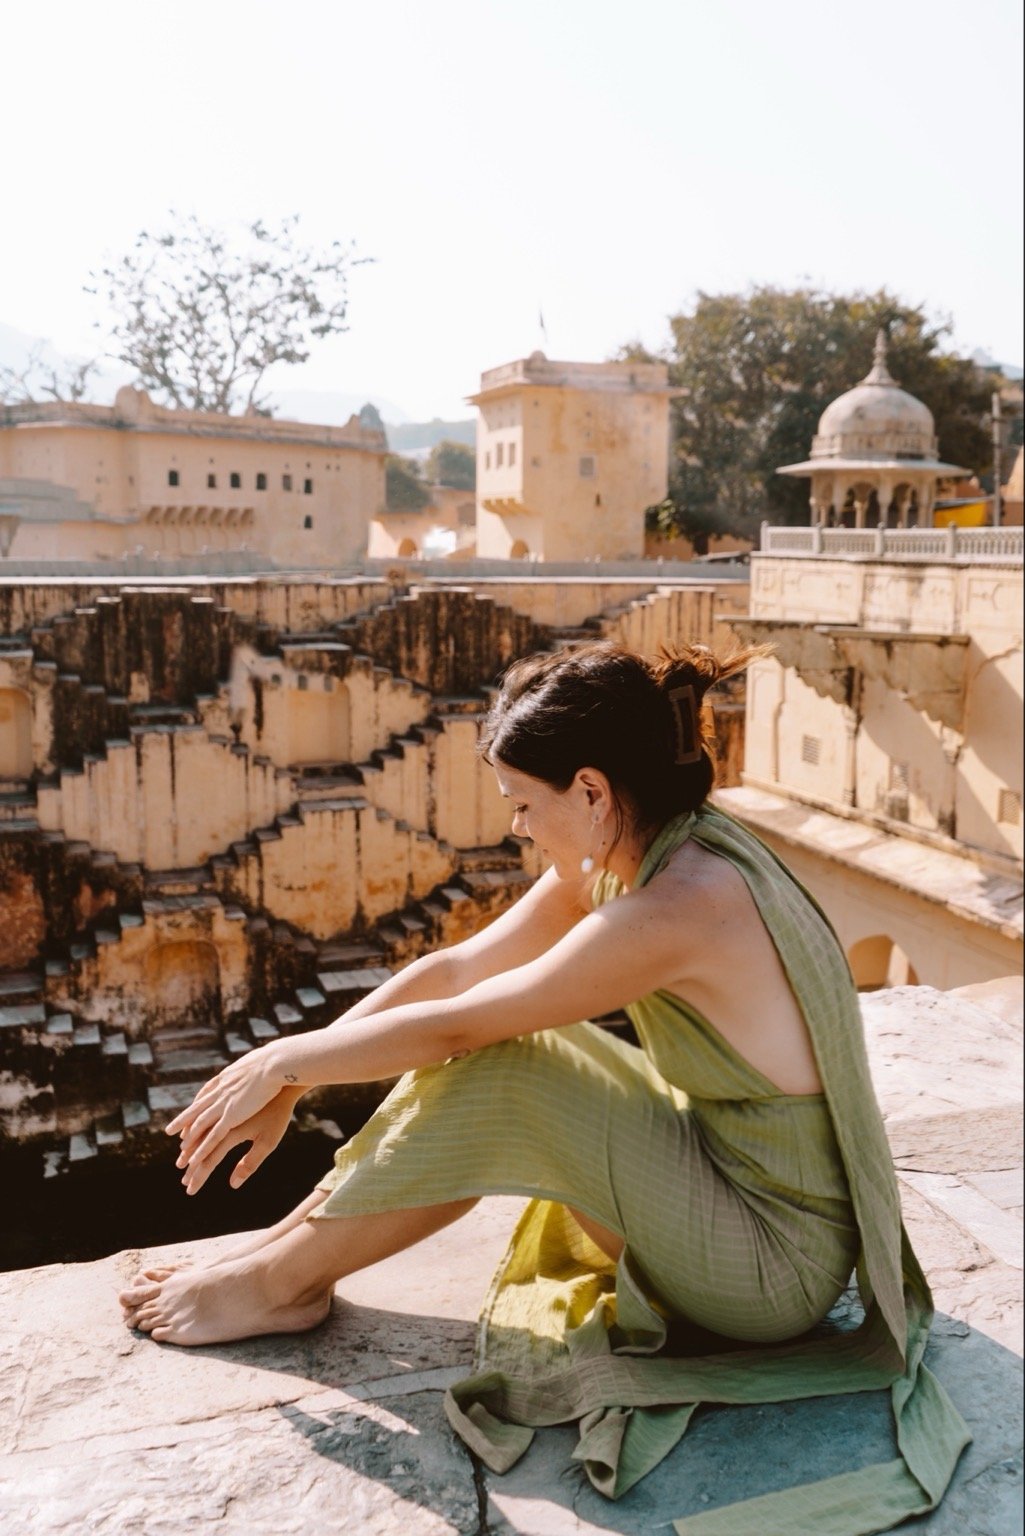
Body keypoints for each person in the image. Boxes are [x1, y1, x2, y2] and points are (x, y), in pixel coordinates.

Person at [119, 641, 968, 1534]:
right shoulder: (645, 850)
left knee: (510, 1065)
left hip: (768, 1266)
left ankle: (283, 1285)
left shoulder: (678, 905)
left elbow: (464, 1025)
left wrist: (282, 1062)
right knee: (502, 1048)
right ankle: (278, 1253)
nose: (516, 828)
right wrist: (310, 1060)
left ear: (593, 793)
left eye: (524, 804)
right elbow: (454, 974)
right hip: (734, 1187)